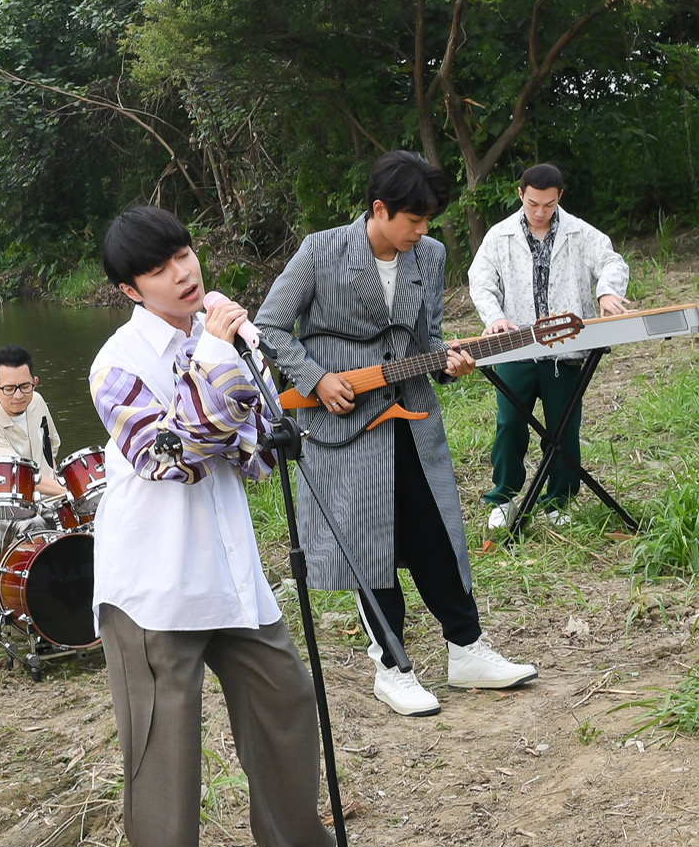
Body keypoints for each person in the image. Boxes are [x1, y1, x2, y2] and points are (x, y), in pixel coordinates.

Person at [89, 206, 383, 847]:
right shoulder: (116, 363)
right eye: (159, 268)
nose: (183, 272)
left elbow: (257, 450)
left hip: (229, 565)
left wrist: (235, 361)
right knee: (163, 739)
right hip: (154, 580)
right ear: (130, 289)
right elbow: (170, 456)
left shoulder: (222, 337)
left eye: (184, 253)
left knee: (283, 699)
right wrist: (218, 361)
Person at [256, 152, 537, 719]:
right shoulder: (321, 251)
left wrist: (449, 363)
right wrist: (316, 377)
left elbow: (428, 341)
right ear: (380, 209)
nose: (423, 230)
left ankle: (466, 649)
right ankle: (393, 667)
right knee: (369, 542)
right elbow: (267, 327)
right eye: (415, 219)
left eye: (430, 219)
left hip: (410, 414)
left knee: (436, 531)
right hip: (343, 422)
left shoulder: (428, 256)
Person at [467, 163, 631, 528]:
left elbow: (612, 262)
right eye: (533, 204)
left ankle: (558, 500)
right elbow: (481, 281)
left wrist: (606, 292)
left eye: (548, 205)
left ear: (560, 198)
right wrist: (494, 317)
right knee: (510, 423)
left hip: (566, 350)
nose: (540, 212)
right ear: (521, 194)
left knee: (563, 428)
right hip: (516, 346)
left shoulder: (580, 232)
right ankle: (504, 498)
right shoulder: (499, 235)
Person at [0, 343, 67, 498]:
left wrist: (61, 487)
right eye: (9, 389)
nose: (18, 396)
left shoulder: (37, 401)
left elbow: (50, 453)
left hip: (52, 501)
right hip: (8, 508)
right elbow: (19, 475)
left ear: (35, 382)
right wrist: (69, 492)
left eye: (25, 386)